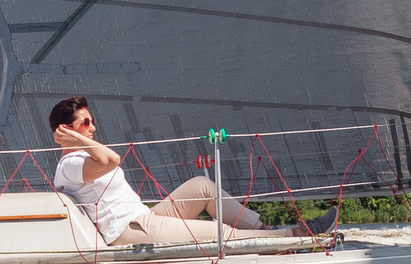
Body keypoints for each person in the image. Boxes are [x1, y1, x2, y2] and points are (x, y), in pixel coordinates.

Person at [48, 96, 333, 245]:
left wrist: (83, 139)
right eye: (85, 123)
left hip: (144, 218)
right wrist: (81, 141)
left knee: (202, 185)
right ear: (66, 130)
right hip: (131, 230)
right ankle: (296, 236)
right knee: (219, 232)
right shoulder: (71, 165)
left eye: (92, 120)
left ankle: (265, 231)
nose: (93, 127)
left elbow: (107, 159)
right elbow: (112, 160)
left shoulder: (83, 158)